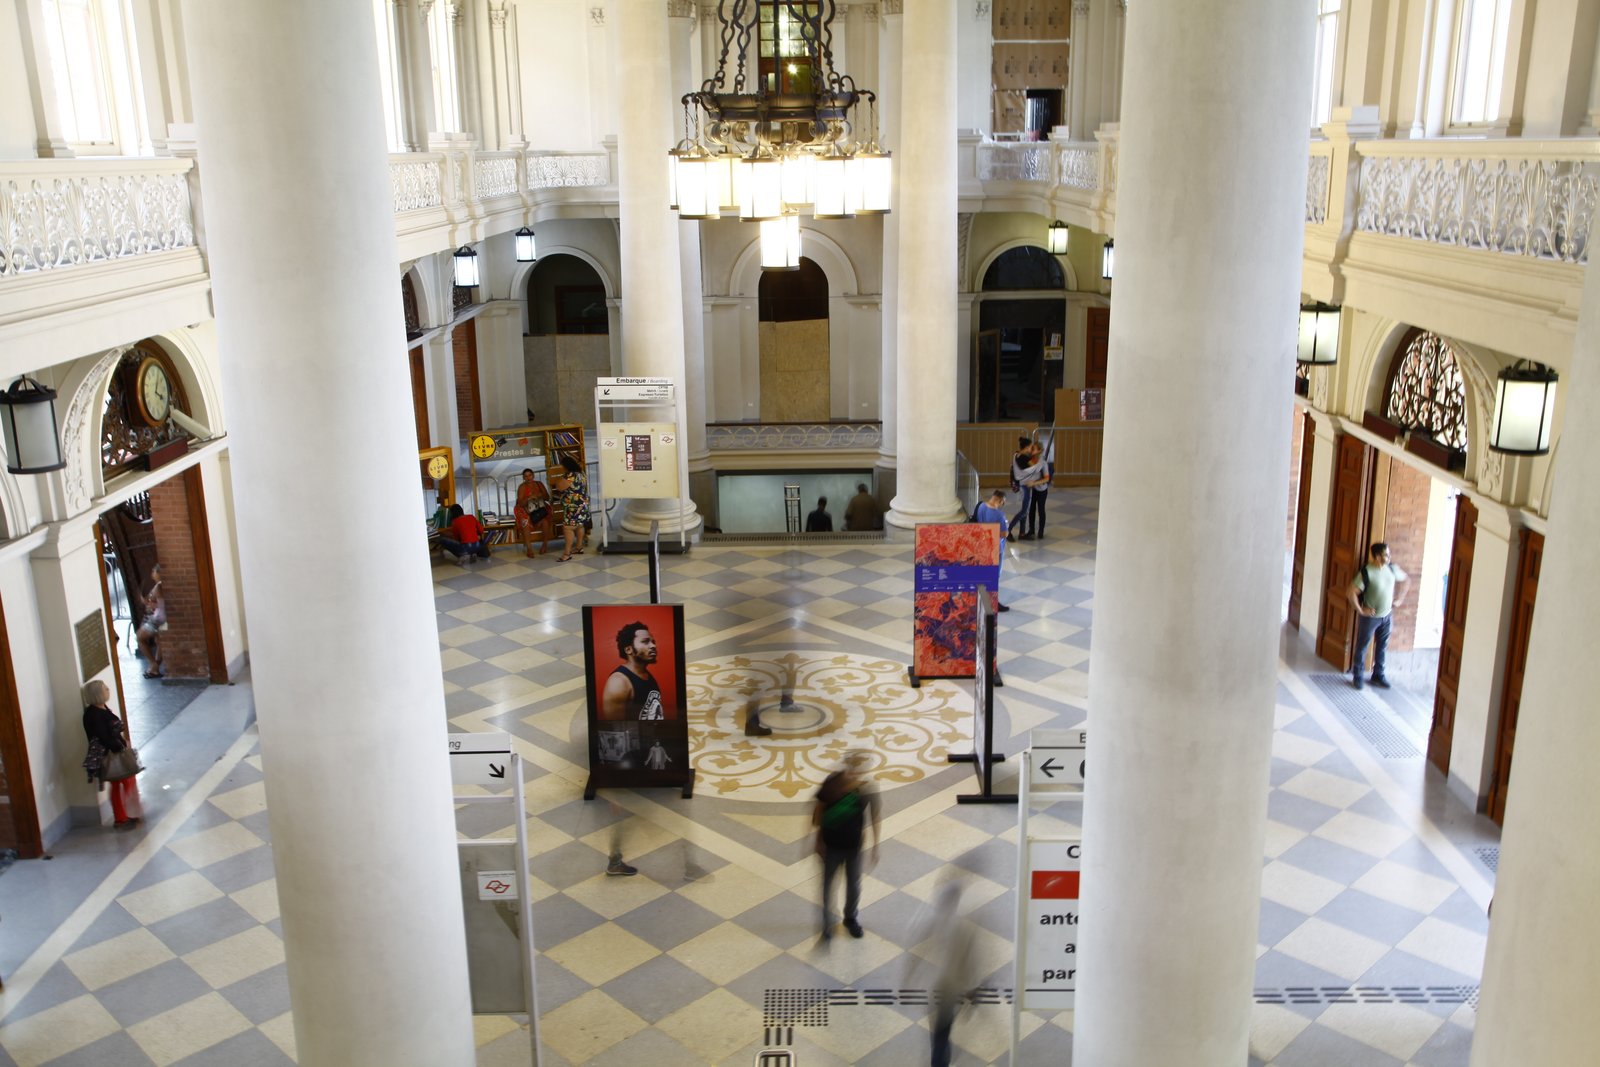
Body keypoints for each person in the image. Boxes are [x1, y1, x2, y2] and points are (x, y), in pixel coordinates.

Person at [813, 752, 880, 941]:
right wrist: (816, 841)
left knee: (853, 886)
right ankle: (826, 924)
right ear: (847, 767)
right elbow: (819, 810)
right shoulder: (832, 783)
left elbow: (875, 816)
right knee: (827, 886)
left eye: (859, 771)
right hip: (830, 846)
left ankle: (850, 918)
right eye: (853, 769)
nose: (855, 774)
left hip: (853, 847)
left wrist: (876, 845)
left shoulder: (866, 789)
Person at [1347, 541, 1409, 690]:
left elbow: (1406, 580)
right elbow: (1351, 592)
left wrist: (1400, 599)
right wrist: (1361, 610)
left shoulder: (1391, 569)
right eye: (1385, 555)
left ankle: (1378, 675)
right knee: (1362, 646)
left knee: (1382, 646)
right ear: (1376, 556)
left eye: (1389, 554)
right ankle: (1358, 676)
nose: (1388, 557)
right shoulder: (1367, 572)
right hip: (1370, 618)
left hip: (1387, 616)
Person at [82, 680, 139, 830]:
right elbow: (104, 737)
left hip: (115, 751)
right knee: (121, 782)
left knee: (126, 781)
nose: (108, 690)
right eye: (105, 688)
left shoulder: (102, 708)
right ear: (97, 694)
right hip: (110, 754)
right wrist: (119, 748)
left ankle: (128, 813)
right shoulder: (93, 715)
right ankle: (121, 817)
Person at [601, 621, 665, 720]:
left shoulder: (645, 674)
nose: (653, 646)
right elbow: (616, 730)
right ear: (628, 650)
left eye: (653, 642)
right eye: (645, 641)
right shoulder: (619, 682)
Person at [974, 488, 1012, 612]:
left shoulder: (980, 507)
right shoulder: (999, 515)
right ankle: (994, 602)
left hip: (982, 545)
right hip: (995, 548)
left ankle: (981, 599)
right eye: (1003, 503)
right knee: (994, 576)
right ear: (1001, 501)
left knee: (983, 573)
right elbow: (1004, 533)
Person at [550, 454, 589, 562]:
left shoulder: (570, 475)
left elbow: (559, 486)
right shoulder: (582, 473)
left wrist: (561, 478)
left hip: (573, 506)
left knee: (568, 528)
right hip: (583, 504)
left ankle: (567, 554)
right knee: (580, 526)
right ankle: (579, 547)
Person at [1009, 442, 1050, 540]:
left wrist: (1033, 483)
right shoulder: (1030, 459)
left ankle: (1040, 532)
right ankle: (1030, 531)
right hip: (1033, 489)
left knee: (1040, 510)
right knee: (1030, 510)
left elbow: (1046, 479)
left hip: (1042, 490)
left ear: (1039, 451)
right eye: (1031, 448)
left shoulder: (1042, 462)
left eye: (1034, 449)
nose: (1031, 450)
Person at [513, 468, 554, 558]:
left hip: (539, 508)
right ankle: (529, 548)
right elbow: (520, 503)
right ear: (523, 478)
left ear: (533, 475)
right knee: (526, 524)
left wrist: (540, 495)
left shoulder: (539, 484)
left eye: (530, 475)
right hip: (525, 509)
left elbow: (547, 497)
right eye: (526, 476)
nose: (528, 478)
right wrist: (529, 498)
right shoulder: (522, 487)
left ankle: (545, 545)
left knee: (545, 522)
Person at [135, 564, 167, 678]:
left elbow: (162, 606)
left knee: (139, 637)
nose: (152, 573)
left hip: (159, 619)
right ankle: (155, 667)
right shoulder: (161, 585)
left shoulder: (159, 587)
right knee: (159, 641)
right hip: (164, 619)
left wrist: (148, 603)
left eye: (154, 571)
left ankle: (153, 664)